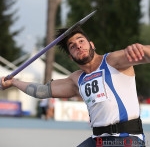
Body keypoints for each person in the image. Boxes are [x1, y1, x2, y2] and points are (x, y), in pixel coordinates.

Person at [0, 26, 149, 147]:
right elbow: (42, 90)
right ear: (71, 56)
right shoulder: (76, 80)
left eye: (81, 41)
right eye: (72, 46)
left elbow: (145, 55)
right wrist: (14, 82)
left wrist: (142, 49)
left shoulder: (113, 61)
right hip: (97, 140)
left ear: (91, 44)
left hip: (126, 139)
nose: (78, 46)